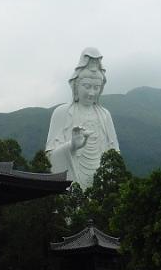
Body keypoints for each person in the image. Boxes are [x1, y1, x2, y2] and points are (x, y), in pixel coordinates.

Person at [45, 48, 120, 190]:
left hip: (102, 186)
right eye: (87, 86)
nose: (92, 93)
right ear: (76, 85)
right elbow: (49, 158)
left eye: (96, 87)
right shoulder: (62, 113)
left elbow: (115, 156)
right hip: (72, 183)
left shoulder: (105, 116)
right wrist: (71, 146)